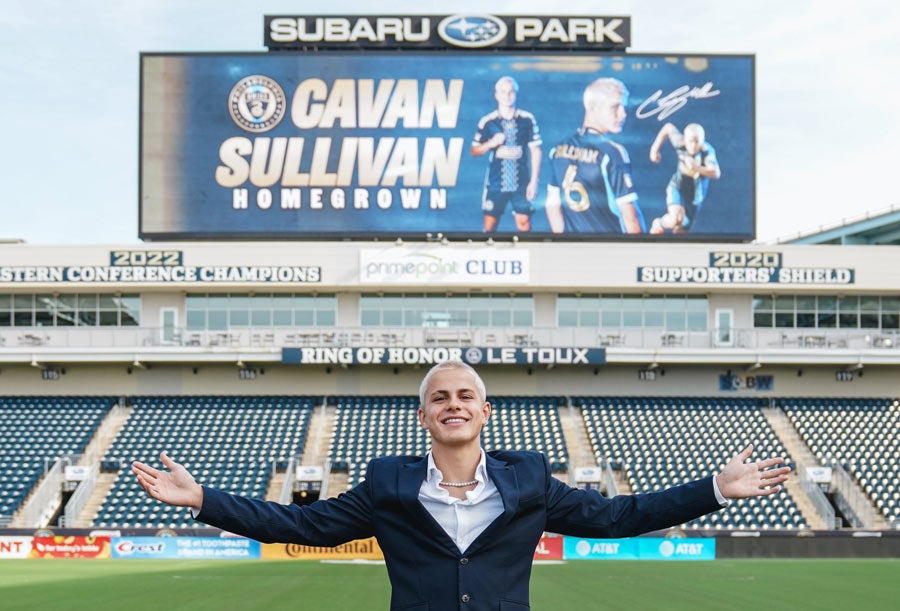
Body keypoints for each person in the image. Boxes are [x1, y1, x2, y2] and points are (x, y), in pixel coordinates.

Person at [132, 360, 790, 611]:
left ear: (484, 410)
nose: (453, 402)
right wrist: (202, 499)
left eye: (465, 394)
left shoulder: (529, 475)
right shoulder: (386, 481)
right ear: (423, 414)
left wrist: (716, 487)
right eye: (439, 396)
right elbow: (303, 526)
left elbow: (617, 515)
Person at [545, 78, 646, 235]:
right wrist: (643, 252)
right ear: (592, 107)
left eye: (624, 107)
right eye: (615, 107)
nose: (623, 114)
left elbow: (552, 205)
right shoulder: (612, 152)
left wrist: (562, 244)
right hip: (610, 251)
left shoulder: (558, 149)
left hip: (573, 251)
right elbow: (630, 216)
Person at [470, 76, 542, 233]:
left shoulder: (527, 119)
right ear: (496, 95)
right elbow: (474, 150)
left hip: (521, 182)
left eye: (511, 92)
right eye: (503, 92)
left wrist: (534, 181)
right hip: (496, 182)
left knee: (524, 223)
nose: (507, 96)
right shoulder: (488, 122)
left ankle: (527, 254)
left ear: (516, 94)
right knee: (489, 225)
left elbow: (535, 150)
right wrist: (491, 143)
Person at [648, 122, 721, 234]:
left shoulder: (707, 151)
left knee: (681, 231)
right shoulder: (680, 142)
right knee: (676, 218)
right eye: (690, 141)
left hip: (695, 196)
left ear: (703, 140)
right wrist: (654, 149)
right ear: (685, 139)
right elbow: (668, 128)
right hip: (678, 186)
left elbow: (715, 173)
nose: (693, 145)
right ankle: (658, 223)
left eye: (697, 141)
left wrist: (696, 167)